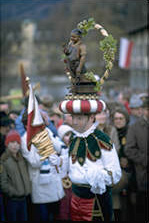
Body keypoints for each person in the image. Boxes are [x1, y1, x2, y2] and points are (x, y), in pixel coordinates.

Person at [21, 110, 65, 221]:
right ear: (27, 126)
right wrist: (44, 146)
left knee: (56, 216)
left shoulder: (46, 131)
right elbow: (35, 162)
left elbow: (59, 148)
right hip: (40, 186)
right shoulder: (24, 140)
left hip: (54, 181)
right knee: (43, 217)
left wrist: (47, 135)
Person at [125, 97, 149, 222]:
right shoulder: (134, 127)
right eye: (147, 109)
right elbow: (129, 149)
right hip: (143, 175)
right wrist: (145, 160)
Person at [0, 130, 31, 221]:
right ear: (7, 144)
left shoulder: (22, 159)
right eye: (12, 142)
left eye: (17, 143)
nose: (15, 145)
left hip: (24, 199)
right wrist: (13, 192)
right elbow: (3, 182)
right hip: (12, 200)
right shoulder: (4, 160)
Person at [111, 108, 135, 221]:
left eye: (121, 118)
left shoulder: (131, 131)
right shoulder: (111, 132)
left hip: (131, 170)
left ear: (126, 119)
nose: (118, 121)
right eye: (116, 118)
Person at [56, 124, 73, 220]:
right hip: (63, 182)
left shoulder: (74, 148)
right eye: (66, 135)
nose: (69, 138)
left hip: (73, 181)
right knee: (64, 206)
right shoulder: (60, 150)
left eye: (71, 134)